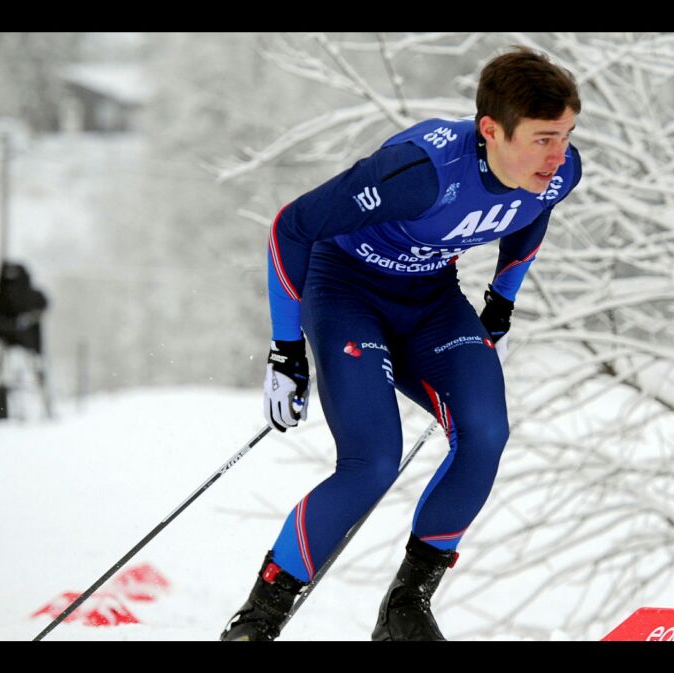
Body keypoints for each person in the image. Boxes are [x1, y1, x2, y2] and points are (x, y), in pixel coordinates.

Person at [221, 46, 582, 641]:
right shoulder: (421, 174)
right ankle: (259, 619)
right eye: (544, 138)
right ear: (491, 130)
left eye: (567, 134)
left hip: (431, 302)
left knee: (486, 433)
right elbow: (293, 225)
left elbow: (531, 216)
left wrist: (501, 304)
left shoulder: (558, 172)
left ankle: (405, 609)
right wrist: (287, 351)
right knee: (373, 462)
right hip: (346, 295)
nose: (559, 155)